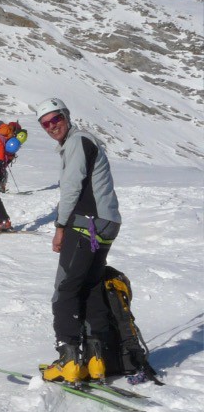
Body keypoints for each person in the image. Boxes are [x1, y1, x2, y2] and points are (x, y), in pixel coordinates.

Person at [36, 98, 122, 383]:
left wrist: (60, 226)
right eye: (45, 123)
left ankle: (69, 361)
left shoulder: (77, 141)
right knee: (91, 286)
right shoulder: (84, 141)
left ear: (66, 116)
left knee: (65, 288)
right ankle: (97, 360)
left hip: (87, 224)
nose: (51, 126)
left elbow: (72, 186)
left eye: (55, 119)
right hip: (107, 224)